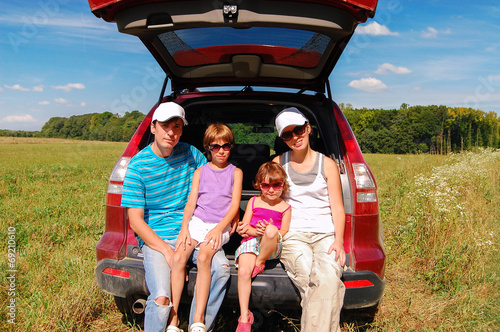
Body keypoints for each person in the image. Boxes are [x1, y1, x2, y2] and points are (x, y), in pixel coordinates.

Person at [121, 102, 231, 332]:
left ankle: (198, 326)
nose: (171, 132)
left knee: (221, 270)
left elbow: (218, 181)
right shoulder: (137, 166)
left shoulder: (191, 154)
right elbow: (136, 222)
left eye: (177, 126)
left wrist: (236, 211)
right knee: (161, 299)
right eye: (165, 126)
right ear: (153, 127)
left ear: (182, 130)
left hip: (195, 230)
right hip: (157, 238)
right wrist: (167, 251)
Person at [273, 107, 346, 332]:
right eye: (287, 134)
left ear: (308, 128)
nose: (295, 137)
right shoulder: (278, 163)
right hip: (293, 236)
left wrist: (339, 241)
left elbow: (337, 207)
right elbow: (270, 201)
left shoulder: (327, 165)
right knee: (319, 283)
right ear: (282, 139)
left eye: (298, 129)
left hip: (326, 235)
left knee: (326, 280)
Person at [169, 123, 243, 332]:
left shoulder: (235, 172)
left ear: (231, 147)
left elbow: (234, 206)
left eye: (226, 146)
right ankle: (173, 318)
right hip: (198, 222)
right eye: (215, 146)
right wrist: (185, 228)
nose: (221, 151)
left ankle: (198, 320)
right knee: (178, 257)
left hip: (221, 225)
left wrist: (219, 229)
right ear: (208, 147)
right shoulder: (200, 171)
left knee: (203, 258)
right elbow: (191, 203)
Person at [235, 161, 291, 332]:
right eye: (266, 185)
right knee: (243, 271)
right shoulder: (253, 201)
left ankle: (259, 263)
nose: (271, 189)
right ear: (259, 185)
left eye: (276, 185)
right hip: (251, 241)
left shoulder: (285, 207)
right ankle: (244, 316)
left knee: (272, 229)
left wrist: (267, 231)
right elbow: (244, 229)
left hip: (270, 246)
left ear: (283, 185)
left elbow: (283, 231)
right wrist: (255, 230)